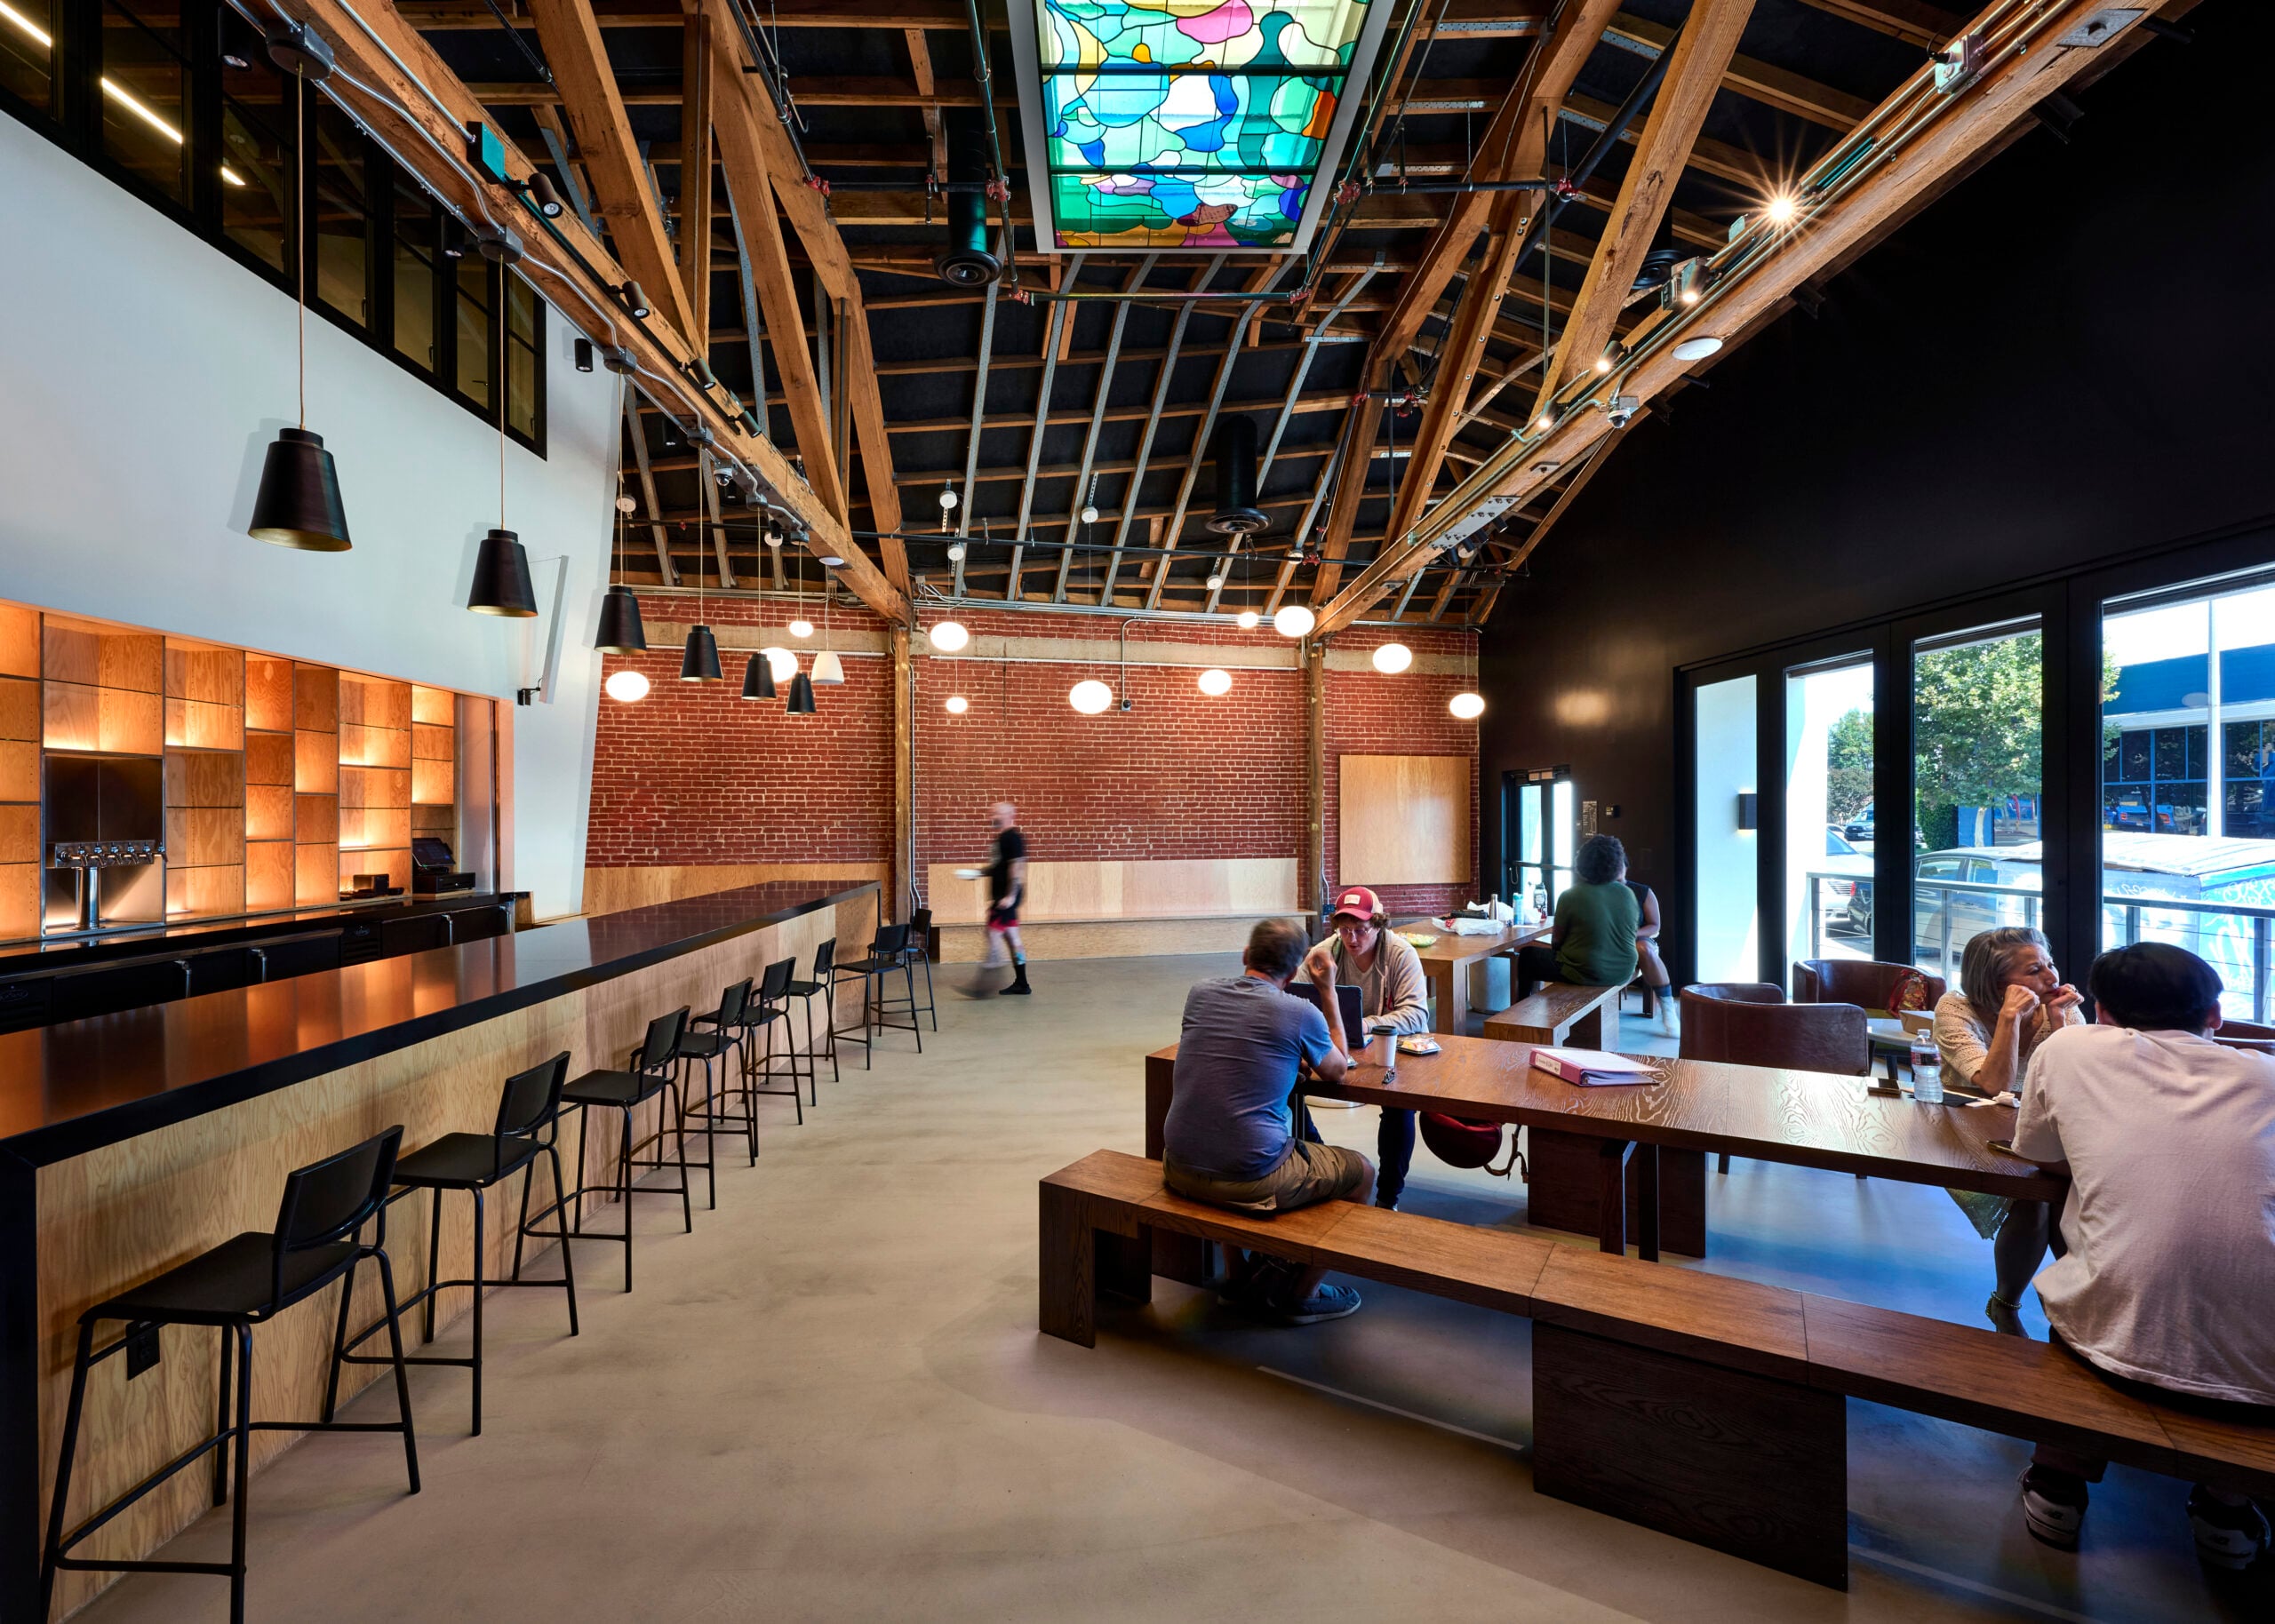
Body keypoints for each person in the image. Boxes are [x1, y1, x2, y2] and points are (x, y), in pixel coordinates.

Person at [2011, 943, 2275, 1570]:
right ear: (2215, 1015)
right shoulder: (2266, 1076)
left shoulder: (2069, 1050)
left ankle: (2057, 1483)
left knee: (2094, 1286)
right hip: (2262, 1374)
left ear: (2102, 1012)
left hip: (2111, 1345)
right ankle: (2226, 1506)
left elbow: (2040, 1153)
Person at [1163, 918, 1375, 1325]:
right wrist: (1328, 991)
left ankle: (1237, 1276)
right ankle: (1303, 1296)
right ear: (1293, 974)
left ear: (1245, 955)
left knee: (1226, 1141)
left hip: (1178, 1163)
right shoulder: (1299, 1011)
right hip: (1249, 1174)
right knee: (1362, 1173)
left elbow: (1234, 1055)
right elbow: (1337, 1069)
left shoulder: (1200, 993)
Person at [1931, 927, 2084, 1334]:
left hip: (2036, 1126)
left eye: (2050, 964)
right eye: (2034, 971)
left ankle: (2079, 1306)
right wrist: (2009, 1017)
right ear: (1996, 982)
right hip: (1967, 1130)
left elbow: (2075, 1083)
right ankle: (2006, 1304)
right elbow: (1994, 1083)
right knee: (2032, 1196)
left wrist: (2059, 1024)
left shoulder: (2061, 1009)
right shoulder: (1955, 1008)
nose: (2051, 977)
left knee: (2070, 1194)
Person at [1306, 887, 1430, 1211]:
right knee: (1289, 1085)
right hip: (1337, 1048)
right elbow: (1298, 1001)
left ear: (1378, 924)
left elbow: (1417, 1014)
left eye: (1361, 930)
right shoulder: (1324, 953)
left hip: (1392, 1047)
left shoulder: (1401, 955)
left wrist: (1364, 1024)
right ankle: (1323, 1167)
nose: (1352, 938)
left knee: (1399, 1104)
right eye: (1345, 930)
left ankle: (1388, 1197)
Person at [1514, 833, 1640, 1005]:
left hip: (1587, 972)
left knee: (1528, 956)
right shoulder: (1628, 894)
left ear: (1582, 862)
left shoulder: (1571, 895)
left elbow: (1557, 941)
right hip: (1624, 970)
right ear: (1617, 864)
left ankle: (1521, 1005)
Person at [961, 802, 1029, 996]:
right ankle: (1022, 983)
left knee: (992, 934)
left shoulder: (1012, 837)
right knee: (1013, 939)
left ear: (1009, 815)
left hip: (1006, 896)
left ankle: (984, 984)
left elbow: (1017, 866)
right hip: (1004, 896)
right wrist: (978, 873)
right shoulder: (1000, 838)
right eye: (991, 813)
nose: (992, 816)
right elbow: (998, 867)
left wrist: (1011, 896)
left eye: (996, 813)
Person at [1626, 878, 1680, 1037]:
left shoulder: (1642, 891)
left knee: (1645, 950)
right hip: (1607, 941)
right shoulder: (1595, 890)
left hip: (1638, 938)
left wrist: (1631, 934)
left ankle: (1667, 1005)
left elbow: (1655, 926)